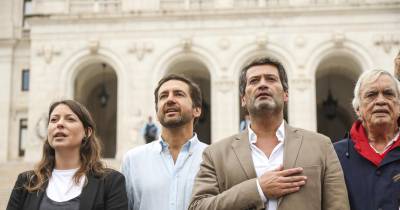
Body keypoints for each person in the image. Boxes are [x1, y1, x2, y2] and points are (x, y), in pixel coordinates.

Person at [189, 57, 349, 210]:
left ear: (286, 94)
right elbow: (198, 207)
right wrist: (258, 189)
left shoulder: (321, 145)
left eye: (271, 79)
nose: (262, 84)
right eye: (254, 81)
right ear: (243, 99)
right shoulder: (215, 154)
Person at [7, 99, 128, 210]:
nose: (59, 124)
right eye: (54, 119)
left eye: (70, 119)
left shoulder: (111, 182)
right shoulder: (26, 182)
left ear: (87, 132)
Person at [121, 74, 208, 210]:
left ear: (196, 110)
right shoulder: (133, 160)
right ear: (157, 112)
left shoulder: (212, 158)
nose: (170, 99)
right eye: (163, 96)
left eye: (178, 94)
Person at [334, 69, 400, 210]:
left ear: (399, 105)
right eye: (371, 95)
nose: (381, 101)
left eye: (388, 94)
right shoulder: (334, 155)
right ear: (358, 109)